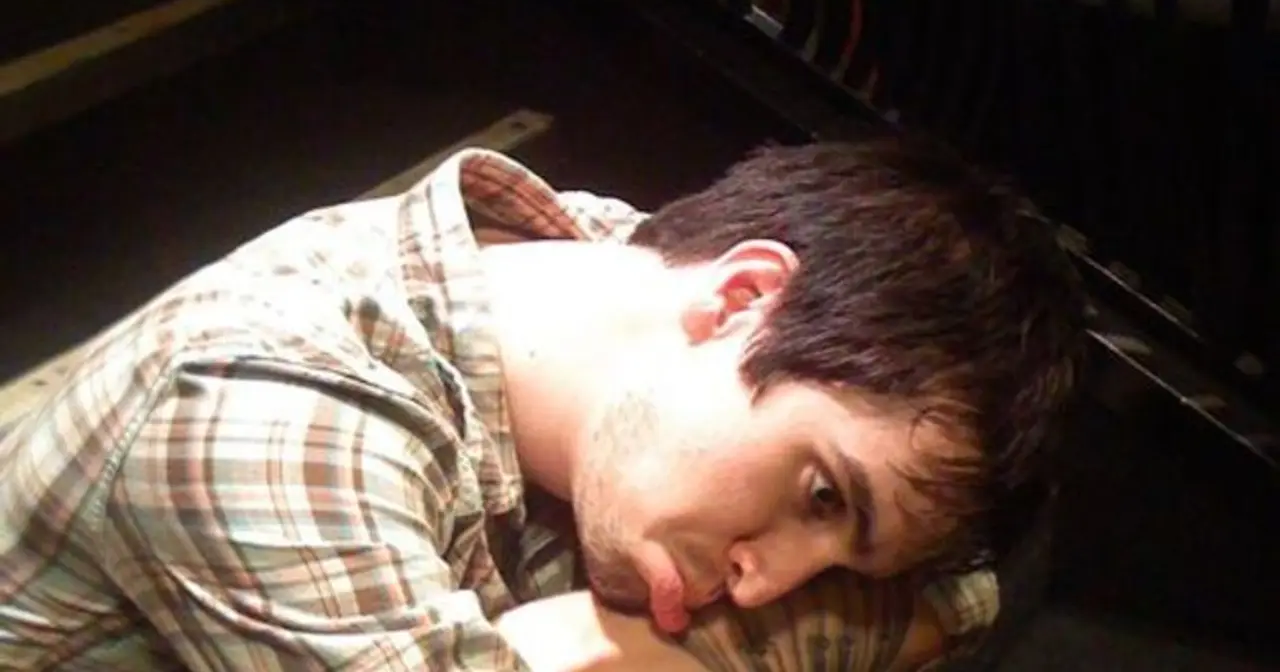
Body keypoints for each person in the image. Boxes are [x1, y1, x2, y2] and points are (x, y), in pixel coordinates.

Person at [0, 136, 1086, 671]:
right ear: (739, 299)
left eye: (844, 561)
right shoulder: (263, 418)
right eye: (819, 496)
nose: (765, 584)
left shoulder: (618, 272)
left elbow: (963, 588)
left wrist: (600, 641)